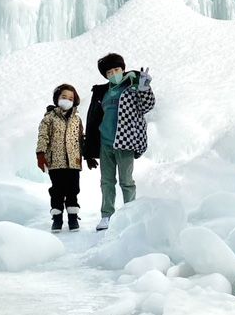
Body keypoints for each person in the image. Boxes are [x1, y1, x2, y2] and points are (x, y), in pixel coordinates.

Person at [83, 53, 155, 231]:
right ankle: (107, 215)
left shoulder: (132, 87)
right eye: (109, 72)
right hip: (105, 143)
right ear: (106, 75)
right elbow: (93, 119)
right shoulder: (103, 93)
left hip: (125, 142)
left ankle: (130, 214)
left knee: (126, 181)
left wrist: (144, 87)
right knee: (106, 181)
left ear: (123, 69)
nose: (113, 73)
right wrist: (89, 149)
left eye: (117, 69)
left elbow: (147, 106)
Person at [36, 83, 85, 231]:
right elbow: (43, 136)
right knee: (57, 190)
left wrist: (87, 155)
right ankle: (57, 219)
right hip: (55, 162)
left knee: (73, 190)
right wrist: (40, 154)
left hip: (73, 162)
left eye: (70, 98)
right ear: (57, 98)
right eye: (64, 97)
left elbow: (80, 138)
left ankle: (72, 218)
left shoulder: (77, 119)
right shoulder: (49, 118)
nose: (67, 100)